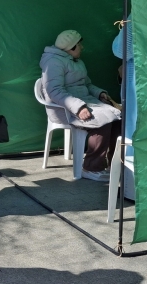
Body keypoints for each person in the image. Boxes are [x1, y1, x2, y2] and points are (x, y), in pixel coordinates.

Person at [39, 29, 122, 182]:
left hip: (85, 103)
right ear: (71, 48)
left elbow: (87, 84)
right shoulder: (53, 62)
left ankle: (113, 164)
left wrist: (99, 94)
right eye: (79, 45)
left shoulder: (77, 62)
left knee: (117, 118)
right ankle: (90, 168)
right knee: (102, 123)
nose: (82, 47)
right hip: (62, 109)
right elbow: (55, 91)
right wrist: (78, 107)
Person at [112, 15, 134, 155]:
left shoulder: (141, 12)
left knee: (134, 131)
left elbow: (121, 50)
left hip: (141, 84)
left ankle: (132, 175)